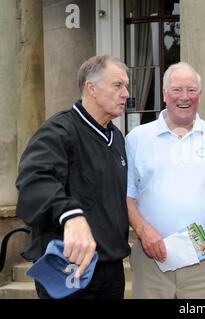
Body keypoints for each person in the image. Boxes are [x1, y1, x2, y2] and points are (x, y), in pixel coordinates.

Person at [126, 62, 205, 298]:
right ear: (164, 94)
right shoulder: (137, 138)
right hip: (153, 261)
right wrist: (141, 230)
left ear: (199, 95)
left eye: (191, 90)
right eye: (177, 90)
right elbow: (127, 195)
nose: (185, 97)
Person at [15, 55, 131, 299]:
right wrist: (71, 215)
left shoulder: (117, 138)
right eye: (117, 85)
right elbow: (35, 180)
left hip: (111, 270)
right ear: (91, 88)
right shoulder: (59, 130)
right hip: (67, 268)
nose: (126, 93)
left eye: (126, 86)